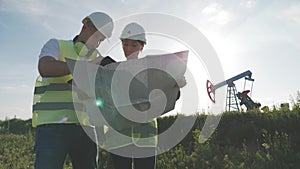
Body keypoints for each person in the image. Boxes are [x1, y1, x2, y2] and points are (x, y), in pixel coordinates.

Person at [32, 12, 113, 169]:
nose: (97, 44)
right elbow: (45, 67)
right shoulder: (57, 45)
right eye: (96, 37)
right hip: (52, 126)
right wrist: (82, 68)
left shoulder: (97, 57)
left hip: (86, 129)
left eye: (101, 40)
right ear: (85, 26)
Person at [103, 22, 184, 169]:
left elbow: (169, 96)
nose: (128, 49)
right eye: (125, 44)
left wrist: (176, 85)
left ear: (142, 46)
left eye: (133, 45)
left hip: (146, 135)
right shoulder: (111, 71)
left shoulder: (152, 70)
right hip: (118, 136)